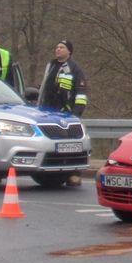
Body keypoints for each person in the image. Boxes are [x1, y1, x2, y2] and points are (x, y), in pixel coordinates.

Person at [38, 39, 89, 185]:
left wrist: (76, 113)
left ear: (69, 51)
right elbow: (46, 86)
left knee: (70, 145)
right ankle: (52, 171)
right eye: (57, 47)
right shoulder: (51, 65)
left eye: (61, 47)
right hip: (46, 111)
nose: (58, 49)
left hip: (65, 114)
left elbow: (81, 92)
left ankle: (74, 174)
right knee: (53, 144)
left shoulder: (74, 68)